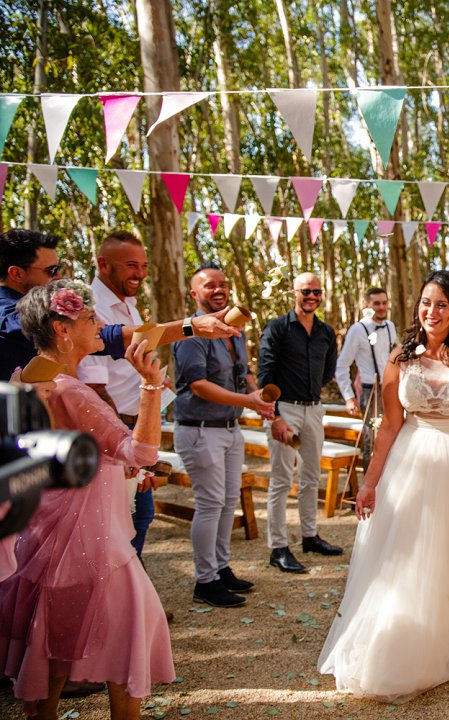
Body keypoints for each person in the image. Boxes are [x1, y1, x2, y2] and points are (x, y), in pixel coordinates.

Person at [319, 270, 449, 702]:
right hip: (410, 460)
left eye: (442, 304)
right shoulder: (399, 357)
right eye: (426, 303)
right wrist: (371, 482)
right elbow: (390, 426)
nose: (432, 312)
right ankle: (415, 639)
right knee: (409, 552)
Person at [0, 280, 174, 719]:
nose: (102, 324)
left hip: (45, 540)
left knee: (51, 658)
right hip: (94, 548)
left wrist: (118, 470)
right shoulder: (72, 391)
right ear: (62, 330)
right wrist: (151, 387)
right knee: (126, 650)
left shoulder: (24, 381)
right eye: (91, 318)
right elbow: (143, 452)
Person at [0, 228, 239, 384]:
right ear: (16, 274)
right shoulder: (11, 317)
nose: (58, 276)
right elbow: (113, 338)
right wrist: (192, 327)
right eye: (50, 270)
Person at [173, 264, 275, 607]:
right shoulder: (191, 333)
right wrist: (247, 400)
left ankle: (220, 567)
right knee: (210, 503)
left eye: (223, 285)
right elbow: (199, 386)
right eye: (209, 285)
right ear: (194, 293)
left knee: (228, 501)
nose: (218, 290)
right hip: (200, 430)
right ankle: (204, 581)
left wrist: (258, 396)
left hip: (231, 430)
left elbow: (243, 373)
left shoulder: (234, 330)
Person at [78, 230, 160, 557]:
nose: (140, 274)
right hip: (114, 433)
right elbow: (95, 388)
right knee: (123, 523)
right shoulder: (93, 309)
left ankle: (131, 601)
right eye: (130, 265)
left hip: (135, 427)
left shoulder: (129, 305)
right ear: (103, 265)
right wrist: (122, 443)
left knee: (138, 516)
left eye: (143, 265)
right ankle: (120, 603)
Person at [258, 272, 341, 573]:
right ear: (294, 292)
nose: (312, 297)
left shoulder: (326, 332)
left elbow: (328, 372)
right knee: (281, 480)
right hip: (285, 411)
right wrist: (275, 415)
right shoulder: (277, 328)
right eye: (306, 291)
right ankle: (278, 547)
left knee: (311, 477)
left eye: (317, 292)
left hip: (314, 410)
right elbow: (265, 374)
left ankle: (310, 536)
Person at [334, 287, 397, 469]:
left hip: (391, 388)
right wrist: (348, 396)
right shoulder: (357, 329)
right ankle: (371, 489)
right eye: (376, 303)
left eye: (384, 303)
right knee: (372, 438)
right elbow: (342, 365)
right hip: (370, 391)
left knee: (393, 435)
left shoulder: (390, 326)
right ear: (367, 305)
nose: (381, 307)